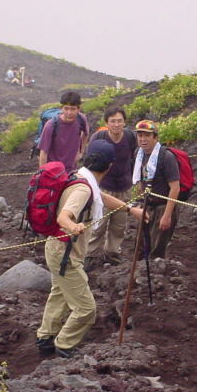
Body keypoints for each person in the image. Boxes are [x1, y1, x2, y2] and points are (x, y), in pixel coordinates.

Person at [35, 140, 145, 358]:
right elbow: (63, 216)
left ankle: (45, 338)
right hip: (64, 253)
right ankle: (64, 345)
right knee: (86, 309)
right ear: (109, 166)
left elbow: (102, 198)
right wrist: (73, 226)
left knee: (59, 294)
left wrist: (131, 209)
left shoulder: (81, 178)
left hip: (58, 250)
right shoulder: (84, 189)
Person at [86, 107, 138, 268]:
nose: (116, 124)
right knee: (99, 223)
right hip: (104, 187)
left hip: (124, 187)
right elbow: (90, 162)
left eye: (119, 121)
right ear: (106, 123)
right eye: (113, 121)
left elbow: (136, 157)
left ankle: (112, 253)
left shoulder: (130, 137)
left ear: (125, 122)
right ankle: (91, 255)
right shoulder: (99, 137)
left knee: (119, 224)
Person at [132, 119, 182, 259]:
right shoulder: (139, 154)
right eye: (140, 135)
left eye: (147, 135)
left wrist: (167, 216)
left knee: (157, 248)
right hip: (147, 205)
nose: (143, 139)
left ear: (155, 137)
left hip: (163, 206)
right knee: (140, 245)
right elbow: (141, 180)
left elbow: (175, 188)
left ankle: (155, 275)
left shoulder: (166, 157)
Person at [37, 91, 89, 172]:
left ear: (78, 109)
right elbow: (43, 152)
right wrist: (42, 174)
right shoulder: (51, 125)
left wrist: (80, 152)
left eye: (73, 109)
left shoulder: (81, 119)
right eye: (66, 108)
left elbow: (85, 134)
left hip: (71, 169)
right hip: (53, 171)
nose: (69, 112)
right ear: (61, 108)